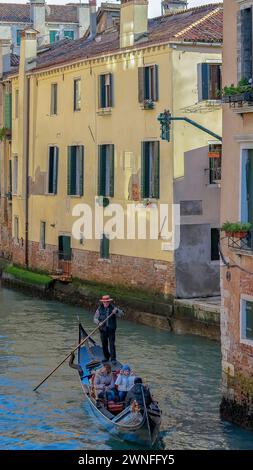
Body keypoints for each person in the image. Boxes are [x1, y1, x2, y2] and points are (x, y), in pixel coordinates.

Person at [94, 294, 124, 365]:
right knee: (104, 344)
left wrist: (116, 312)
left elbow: (121, 314)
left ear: (109, 302)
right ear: (102, 302)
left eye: (107, 302)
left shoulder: (114, 308)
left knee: (112, 344)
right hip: (102, 330)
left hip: (111, 330)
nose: (106, 303)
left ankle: (113, 359)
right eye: (104, 302)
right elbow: (95, 318)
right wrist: (98, 323)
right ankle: (106, 357)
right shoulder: (99, 309)